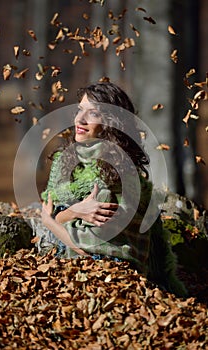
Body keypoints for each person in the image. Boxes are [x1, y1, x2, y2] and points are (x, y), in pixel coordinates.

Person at [41, 81, 187, 297]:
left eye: (93, 113)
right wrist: (72, 212)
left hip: (111, 283)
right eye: (80, 110)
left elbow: (87, 247)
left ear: (112, 123)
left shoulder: (117, 176)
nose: (80, 120)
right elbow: (46, 215)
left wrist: (51, 221)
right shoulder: (66, 162)